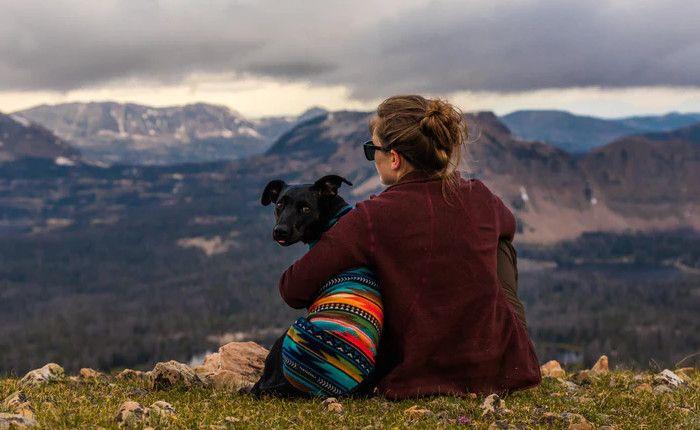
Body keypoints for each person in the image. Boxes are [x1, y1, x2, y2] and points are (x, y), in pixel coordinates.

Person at [274, 95, 541, 399]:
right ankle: (511, 351)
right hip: (499, 372)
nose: (372, 157)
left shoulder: (371, 217)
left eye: (372, 149)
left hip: (417, 376)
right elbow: (508, 226)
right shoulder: (481, 195)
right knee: (500, 246)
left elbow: (292, 287)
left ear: (395, 158)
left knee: (361, 264)